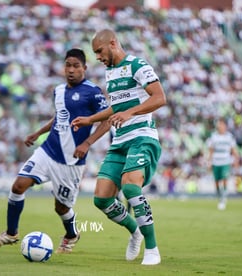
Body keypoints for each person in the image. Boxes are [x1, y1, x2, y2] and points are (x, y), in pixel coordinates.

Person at [0, 48, 110, 253]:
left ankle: (71, 234)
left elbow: (106, 121)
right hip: (48, 151)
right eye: (67, 65)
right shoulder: (58, 90)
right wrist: (37, 133)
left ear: (84, 68)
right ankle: (11, 233)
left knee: (61, 208)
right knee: (18, 186)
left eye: (76, 66)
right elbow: (60, 117)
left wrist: (87, 143)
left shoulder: (93, 92)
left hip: (70, 162)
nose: (71, 70)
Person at [71, 29, 167, 265]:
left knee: (131, 187)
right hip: (120, 141)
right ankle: (135, 232)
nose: (98, 57)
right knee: (101, 199)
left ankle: (152, 249)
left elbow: (159, 98)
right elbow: (116, 108)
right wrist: (90, 120)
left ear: (112, 43)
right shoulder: (111, 72)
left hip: (142, 137)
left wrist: (130, 112)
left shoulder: (137, 65)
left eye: (99, 51)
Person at [207, 118, 239, 210]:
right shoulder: (214, 136)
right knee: (217, 182)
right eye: (219, 124)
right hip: (216, 162)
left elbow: (233, 150)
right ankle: (220, 197)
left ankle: (223, 199)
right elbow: (211, 150)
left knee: (225, 179)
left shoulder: (229, 137)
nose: (219, 126)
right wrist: (209, 162)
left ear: (225, 126)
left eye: (221, 124)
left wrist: (236, 160)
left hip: (225, 161)